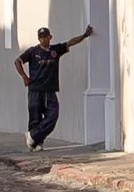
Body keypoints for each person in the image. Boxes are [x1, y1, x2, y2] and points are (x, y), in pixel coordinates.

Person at [12, 22, 87, 150]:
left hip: (50, 90)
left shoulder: (55, 50)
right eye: (41, 37)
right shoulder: (32, 51)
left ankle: (32, 136)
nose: (43, 39)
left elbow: (70, 43)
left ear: (50, 37)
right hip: (35, 89)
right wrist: (25, 77)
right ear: (38, 38)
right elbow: (17, 61)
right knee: (35, 117)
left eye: (46, 36)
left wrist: (84, 35)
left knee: (53, 115)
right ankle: (35, 143)